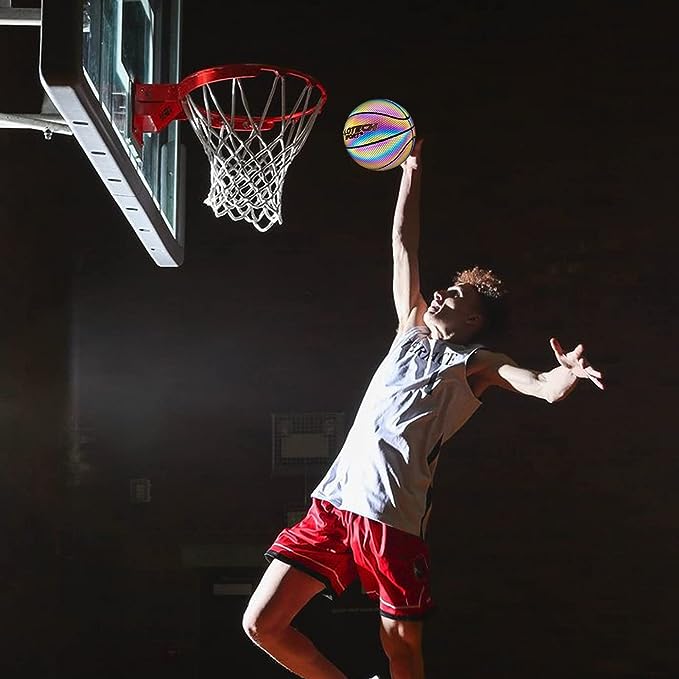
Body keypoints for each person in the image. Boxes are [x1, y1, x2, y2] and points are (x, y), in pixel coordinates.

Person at [241, 140, 604, 679]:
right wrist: (409, 173)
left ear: (475, 321)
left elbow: (539, 387)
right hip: (334, 504)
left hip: (393, 518)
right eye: (445, 289)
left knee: (402, 652)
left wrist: (565, 374)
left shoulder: (477, 362)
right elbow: (401, 245)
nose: (441, 295)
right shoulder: (408, 331)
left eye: (457, 296)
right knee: (262, 624)